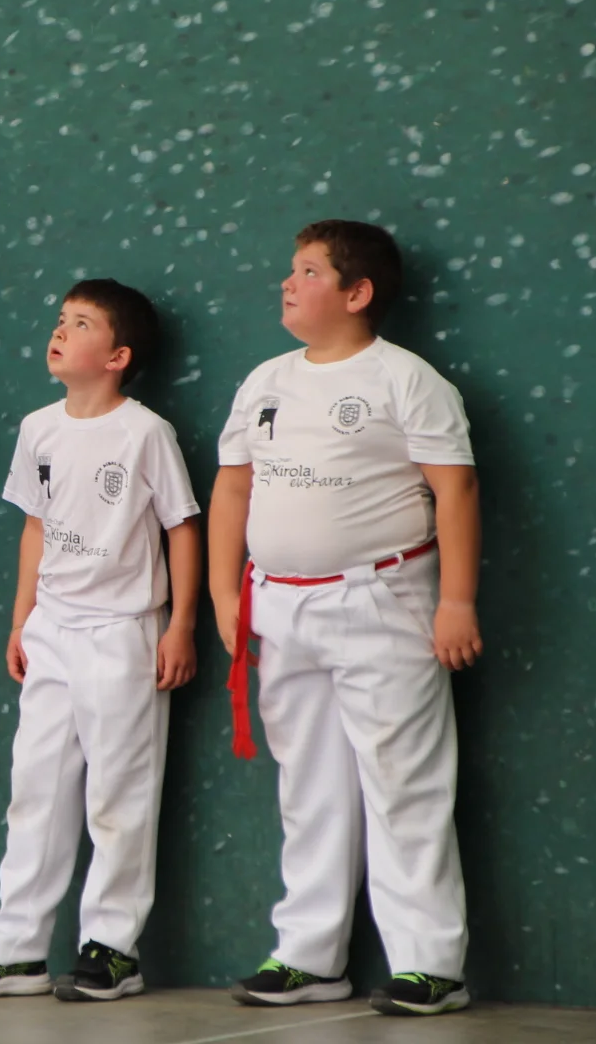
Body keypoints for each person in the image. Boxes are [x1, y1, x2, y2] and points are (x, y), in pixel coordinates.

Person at [212, 220, 481, 1017]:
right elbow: (232, 487)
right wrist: (227, 597)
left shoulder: (407, 379)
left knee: (403, 782)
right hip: (277, 605)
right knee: (308, 784)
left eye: (308, 271)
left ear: (357, 293)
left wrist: (456, 601)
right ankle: (309, 956)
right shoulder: (265, 380)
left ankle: (430, 964)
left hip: (384, 602)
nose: (288, 282)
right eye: (290, 269)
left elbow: (456, 489)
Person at [0, 280, 201, 1004]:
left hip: (124, 633)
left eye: (81, 324)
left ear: (117, 357)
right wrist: (21, 621)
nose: (59, 331)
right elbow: (36, 527)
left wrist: (180, 625)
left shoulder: (146, 433)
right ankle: (16, 950)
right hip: (51, 631)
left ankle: (113, 949)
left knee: (119, 794)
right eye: (60, 319)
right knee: (36, 791)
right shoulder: (38, 428)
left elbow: (182, 527)